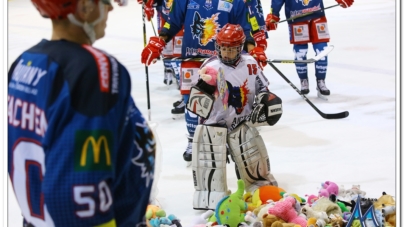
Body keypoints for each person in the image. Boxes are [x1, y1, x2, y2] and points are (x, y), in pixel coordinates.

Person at [8, 0, 156, 226]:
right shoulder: (94, 70)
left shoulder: (25, 63)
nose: (111, 9)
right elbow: (79, 185)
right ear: (85, 7)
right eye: (105, 2)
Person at [141, 0, 268, 164]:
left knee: (224, 102)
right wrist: (159, 42)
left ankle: (225, 139)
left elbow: (245, 29)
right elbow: (172, 22)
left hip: (223, 61)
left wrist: (254, 51)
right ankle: (193, 141)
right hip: (191, 59)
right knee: (192, 102)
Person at [185, 23, 282, 210]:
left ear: (240, 47)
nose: (226, 53)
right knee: (210, 168)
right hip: (214, 125)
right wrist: (203, 90)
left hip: (242, 123)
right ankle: (211, 197)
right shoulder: (210, 66)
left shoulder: (251, 64)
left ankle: (258, 187)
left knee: (252, 159)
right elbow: (196, 107)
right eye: (223, 48)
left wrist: (269, 102)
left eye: (231, 49)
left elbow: (263, 89)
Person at [265, 0, 354, 97]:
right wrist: (274, 15)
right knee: (300, 53)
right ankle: (303, 81)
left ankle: (321, 81)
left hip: (317, 15)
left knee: (322, 51)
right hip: (297, 18)